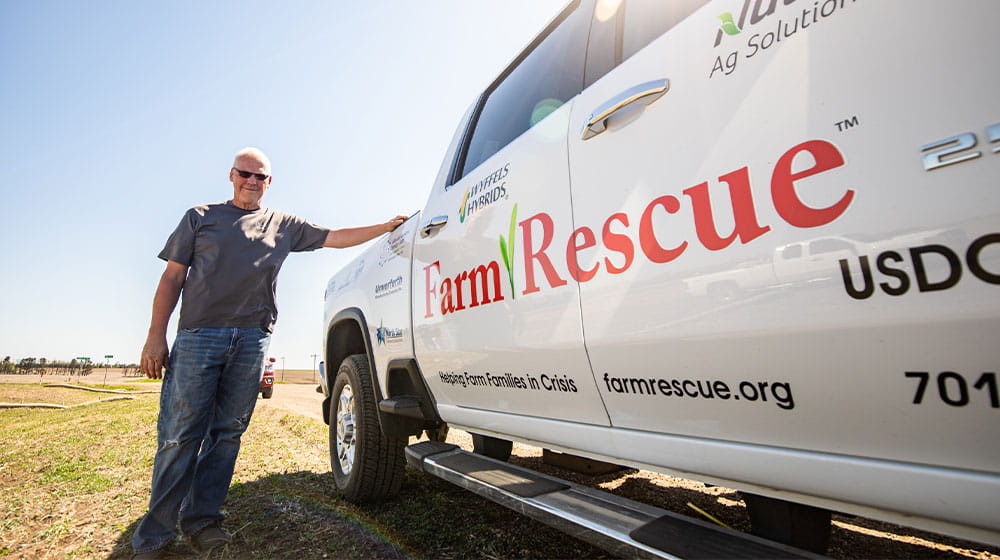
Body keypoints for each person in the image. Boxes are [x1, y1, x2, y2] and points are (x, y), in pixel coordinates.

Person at [131, 147, 406, 559]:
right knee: (179, 435)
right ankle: (153, 537)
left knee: (227, 435)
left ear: (269, 182)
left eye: (261, 177)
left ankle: (202, 520)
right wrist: (156, 336)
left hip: (252, 340)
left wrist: (386, 227)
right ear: (231, 174)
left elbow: (334, 237)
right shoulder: (200, 217)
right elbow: (172, 278)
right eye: (246, 174)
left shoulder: (284, 225)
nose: (252, 182)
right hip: (197, 337)